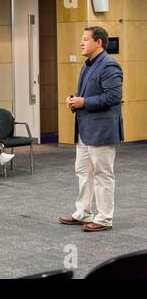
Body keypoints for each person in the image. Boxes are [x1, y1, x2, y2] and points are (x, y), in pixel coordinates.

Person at [59, 26, 123, 232]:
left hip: (102, 130)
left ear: (99, 43)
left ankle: (104, 218)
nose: (81, 43)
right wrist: (74, 101)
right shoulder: (87, 65)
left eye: (85, 39)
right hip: (85, 130)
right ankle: (83, 213)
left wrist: (84, 101)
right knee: (83, 172)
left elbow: (113, 97)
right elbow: (86, 96)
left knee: (102, 174)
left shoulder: (109, 66)